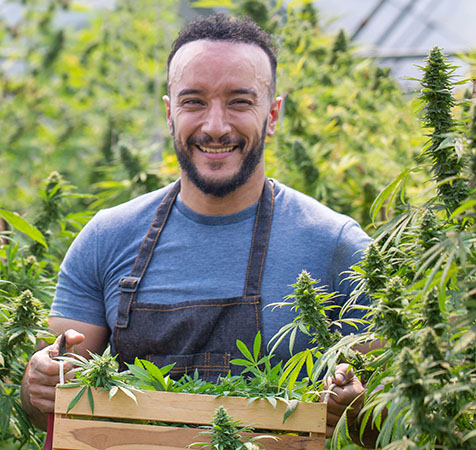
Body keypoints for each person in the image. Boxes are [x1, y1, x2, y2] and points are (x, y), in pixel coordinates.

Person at [20, 13, 378, 446]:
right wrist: (38, 382)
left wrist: (356, 408)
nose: (215, 126)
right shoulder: (106, 237)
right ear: (170, 113)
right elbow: (53, 409)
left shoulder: (336, 245)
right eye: (193, 102)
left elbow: (384, 419)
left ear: (273, 114)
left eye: (240, 102)